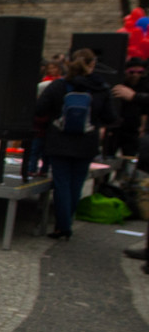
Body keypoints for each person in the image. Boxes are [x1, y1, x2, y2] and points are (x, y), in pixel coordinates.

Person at [34, 49, 117, 240]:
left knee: (61, 183)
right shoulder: (101, 88)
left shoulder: (58, 86)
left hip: (59, 141)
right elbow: (110, 117)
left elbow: (39, 110)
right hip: (86, 142)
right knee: (76, 184)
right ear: (93, 65)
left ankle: (62, 226)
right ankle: (66, 222)